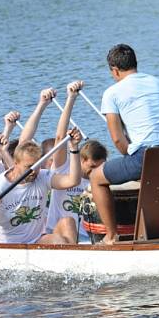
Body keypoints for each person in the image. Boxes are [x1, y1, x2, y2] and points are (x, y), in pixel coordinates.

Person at [88, 44, 159, 244]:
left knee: (96, 177)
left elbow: (117, 138)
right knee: (150, 180)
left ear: (114, 70)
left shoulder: (112, 93)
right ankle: (156, 233)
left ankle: (111, 236)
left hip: (145, 157)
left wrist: (129, 156)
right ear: (135, 64)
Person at [0, 127, 83, 245]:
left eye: (37, 165)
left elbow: (73, 181)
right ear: (15, 163)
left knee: (65, 229)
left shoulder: (43, 177)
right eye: (28, 167)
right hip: (7, 245)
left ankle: (73, 262)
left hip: (36, 240)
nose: (33, 171)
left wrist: (74, 148)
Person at [44, 81, 108, 240]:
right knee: (68, 222)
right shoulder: (63, 169)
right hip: (58, 233)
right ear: (81, 160)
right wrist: (71, 98)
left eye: (99, 168)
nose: (96, 172)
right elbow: (60, 138)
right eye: (92, 167)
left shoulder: (101, 179)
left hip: (89, 237)